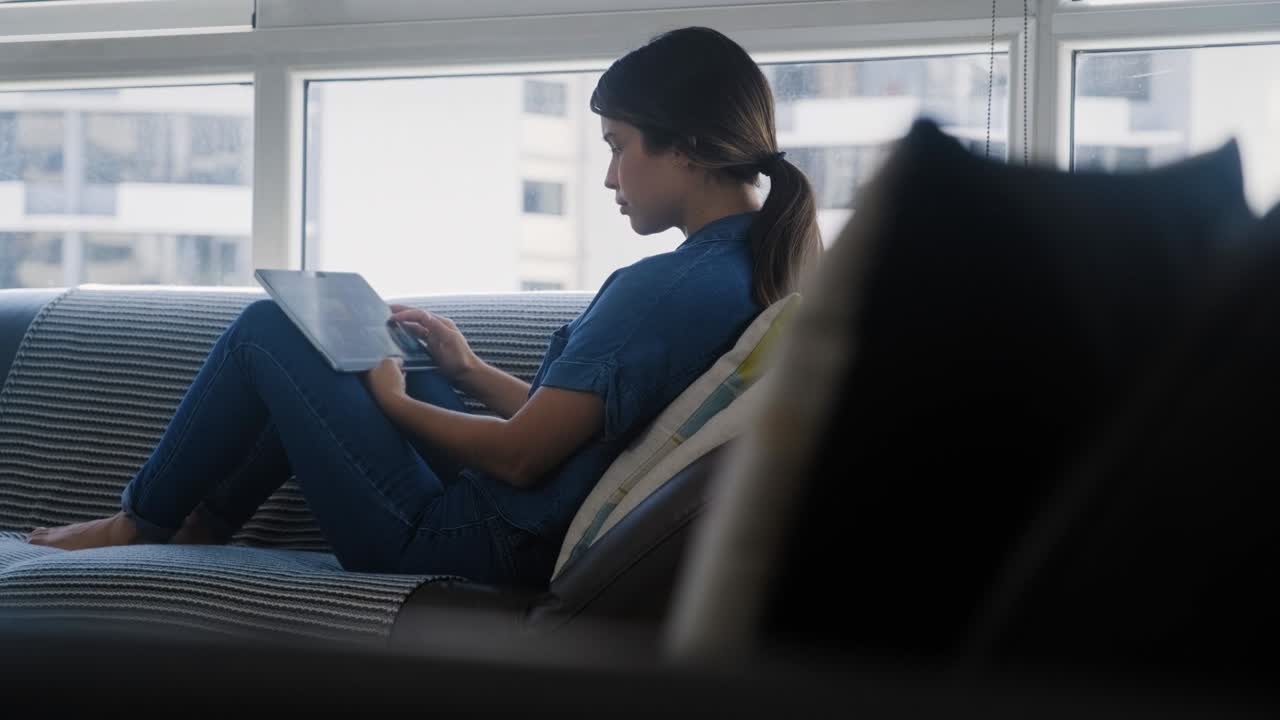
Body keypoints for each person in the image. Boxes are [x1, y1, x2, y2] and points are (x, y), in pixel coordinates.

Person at [27, 26, 822, 586]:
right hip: (516, 522)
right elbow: (583, 434)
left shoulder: (665, 287)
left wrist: (393, 403)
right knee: (327, 337)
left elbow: (520, 456)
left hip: (468, 543)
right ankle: (204, 523)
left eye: (617, 146)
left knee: (273, 328)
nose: (610, 178)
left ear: (683, 147)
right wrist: (467, 369)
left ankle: (140, 522)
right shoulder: (750, 269)